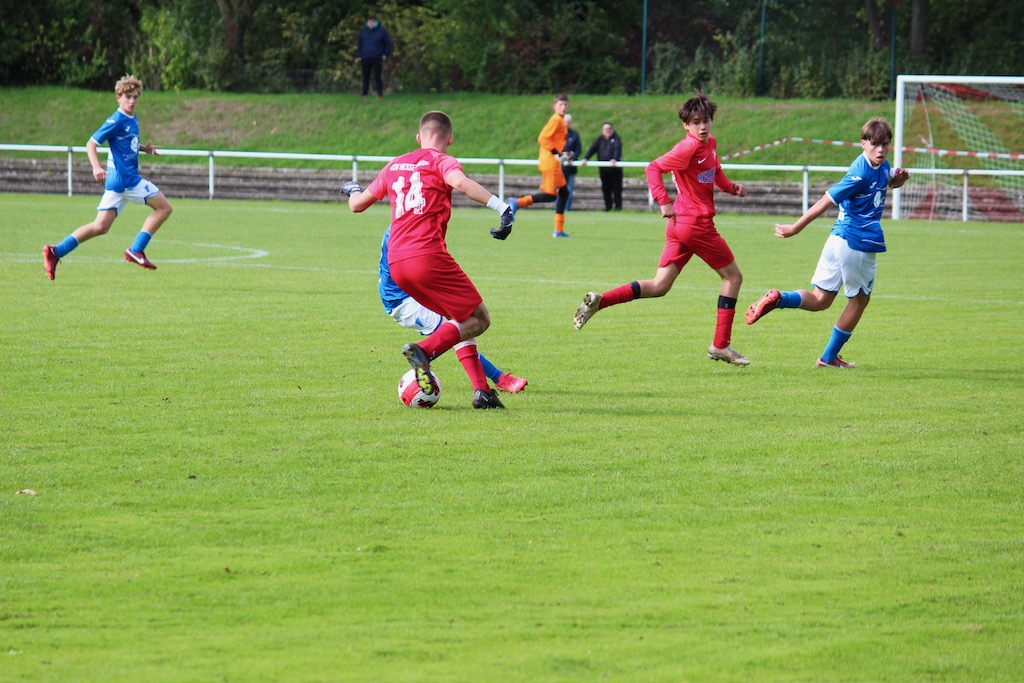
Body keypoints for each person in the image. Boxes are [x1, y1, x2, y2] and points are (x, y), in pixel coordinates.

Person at [344, 110, 515, 409]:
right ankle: (424, 350)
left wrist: (353, 189)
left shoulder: (395, 164)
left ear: (418, 138)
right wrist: (502, 207)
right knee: (479, 319)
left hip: (397, 263)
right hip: (427, 256)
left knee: (457, 319)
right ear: (450, 139)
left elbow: (356, 205)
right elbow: (460, 182)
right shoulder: (441, 161)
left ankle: (482, 392)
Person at [573, 91, 751, 366]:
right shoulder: (687, 148)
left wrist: (731, 187)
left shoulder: (710, 143)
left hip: (679, 227)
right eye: (696, 123)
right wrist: (663, 201)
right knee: (733, 278)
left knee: (659, 286)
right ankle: (720, 344)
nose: (702, 127)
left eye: (706, 121)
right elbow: (653, 168)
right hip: (696, 225)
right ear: (686, 125)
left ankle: (601, 301)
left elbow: (714, 171)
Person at [744, 117, 911, 368]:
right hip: (857, 243)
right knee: (859, 301)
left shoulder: (879, 164)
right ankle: (829, 357)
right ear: (863, 143)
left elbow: (889, 181)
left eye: (885, 144)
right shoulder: (859, 174)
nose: (881, 150)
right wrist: (795, 228)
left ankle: (779, 298)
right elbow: (825, 201)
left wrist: (900, 178)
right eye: (875, 144)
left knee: (820, 299)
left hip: (837, 240)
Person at [42, 74, 173, 281]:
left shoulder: (131, 118)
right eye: (127, 97)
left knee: (100, 226)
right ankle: (136, 250)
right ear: (118, 98)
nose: (132, 101)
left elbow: (124, 143)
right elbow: (91, 144)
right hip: (127, 180)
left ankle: (56, 251)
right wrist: (96, 167)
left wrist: (143, 148)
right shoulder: (116, 120)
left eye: (135, 97)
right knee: (164, 208)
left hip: (116, 183)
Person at [378, 226, 528, 393]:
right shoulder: (406, 231)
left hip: (416, 290)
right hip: (402, 300)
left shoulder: (408, 225)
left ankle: (426, 357)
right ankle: (498, 379)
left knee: (460, 323)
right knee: (458, 328)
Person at [507, 94, 572, 238]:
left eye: (565, 105)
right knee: (550, 195)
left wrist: (563, 154)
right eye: (560, 104)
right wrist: (556, 154)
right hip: (550, 162)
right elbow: (542, 138)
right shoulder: (556, 119)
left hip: (553, 160)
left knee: (564, 192)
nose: (563, 107)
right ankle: (516, 202)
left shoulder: (560, 120)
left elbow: (553, 142)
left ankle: (559, 230)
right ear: (554, 106)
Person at [582, 122, 623, 211]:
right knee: (606, 189)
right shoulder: (599, 139)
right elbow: (592, 149)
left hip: (615, 170)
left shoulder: (616, 139)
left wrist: (615, 159)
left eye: (609, 129)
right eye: (606, 129)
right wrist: (586, 158)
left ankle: (618, 208)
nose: (608, 131)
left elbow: (617, 150)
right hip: (604, 170)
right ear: (603, 130)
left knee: (617, 189)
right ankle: (608, 207)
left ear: (612, 130)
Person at [356, 14, 392, 99]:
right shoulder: (363, 31)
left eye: (372, 21)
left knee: (377, 76)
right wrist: (359, 55)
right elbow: (359, 44)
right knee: (365, 76)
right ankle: (364, 93)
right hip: (365, 57)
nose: (371, 23)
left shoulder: (382, 31)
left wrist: (385, 54)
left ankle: (379, 94)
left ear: (375, 22)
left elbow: (388, 44)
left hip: (377, 57)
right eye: (369, 21)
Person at [561, 114, 581, 211]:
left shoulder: (574, 135)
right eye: (565, 122)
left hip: (570, 167)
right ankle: (558, 207)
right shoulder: (558, 134)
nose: (566, 124)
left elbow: (578, 149)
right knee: (559, 188)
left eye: (568, 122)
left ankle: (567, 208)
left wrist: (572, 156)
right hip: (559, 167)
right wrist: (562, 155)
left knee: (569, 189)